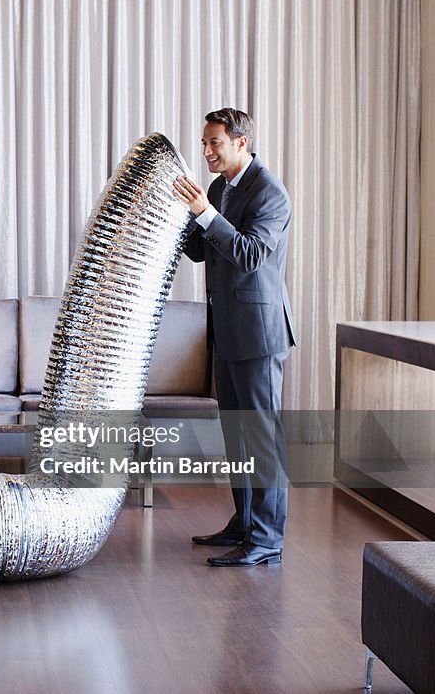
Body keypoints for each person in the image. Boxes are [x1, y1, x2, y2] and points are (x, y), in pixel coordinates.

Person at [172, 108, 295, 567]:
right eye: (204, 143)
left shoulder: (270, 193)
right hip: (226, 331)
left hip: (260, 334)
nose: (206, 152)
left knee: (262, 439)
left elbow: (247, 254)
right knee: (238, 437)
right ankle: (244, 524)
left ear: (240, 142)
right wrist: (186, 216)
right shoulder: (222, 187)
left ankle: (267, 540)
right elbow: (205, 251)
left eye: (214, 144)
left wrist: (204, 212)